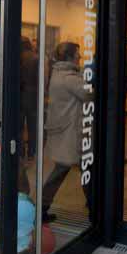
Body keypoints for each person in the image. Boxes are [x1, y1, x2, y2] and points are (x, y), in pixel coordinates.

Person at [40, 42, 92, 223]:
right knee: (78, 169)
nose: (80, 56)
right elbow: (90, 94)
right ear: (70, 57)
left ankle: (42, 208)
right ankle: (41, 208)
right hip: (71, 133)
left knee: (81, 168)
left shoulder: (58, 73)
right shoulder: (70, 78)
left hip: (65, 130)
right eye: (77, 54)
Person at [20, 36, 40, 158]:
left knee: (19, 127)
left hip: (20, 95)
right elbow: (40, 79)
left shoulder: (17, 57)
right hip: (33, 95)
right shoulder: (36, 58)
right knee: (33, 126)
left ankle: (20, 151)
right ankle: (32, 152)